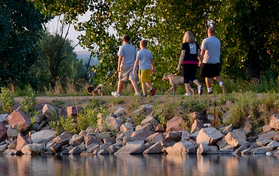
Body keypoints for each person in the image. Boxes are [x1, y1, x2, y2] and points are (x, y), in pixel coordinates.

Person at [200, 27, 226, 94]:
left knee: (207, 76)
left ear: (208, 32)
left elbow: (202, 51)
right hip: (216, 61)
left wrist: (200, 60)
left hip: (207, 61)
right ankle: (221, 84)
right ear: (214, 32)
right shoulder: (217, 41)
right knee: (216, 75)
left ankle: (209, 90)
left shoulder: (206, 40)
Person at [177, 31, 203, 96]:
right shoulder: (196, 44)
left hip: (186, 62)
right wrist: (201, 61)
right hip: (194, 62)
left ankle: (188, 92)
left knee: (186, 77)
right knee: (192, 76)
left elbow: (182, 55)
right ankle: (199, 85)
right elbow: (199, 54)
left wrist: (179, 64)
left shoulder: (185, 45)